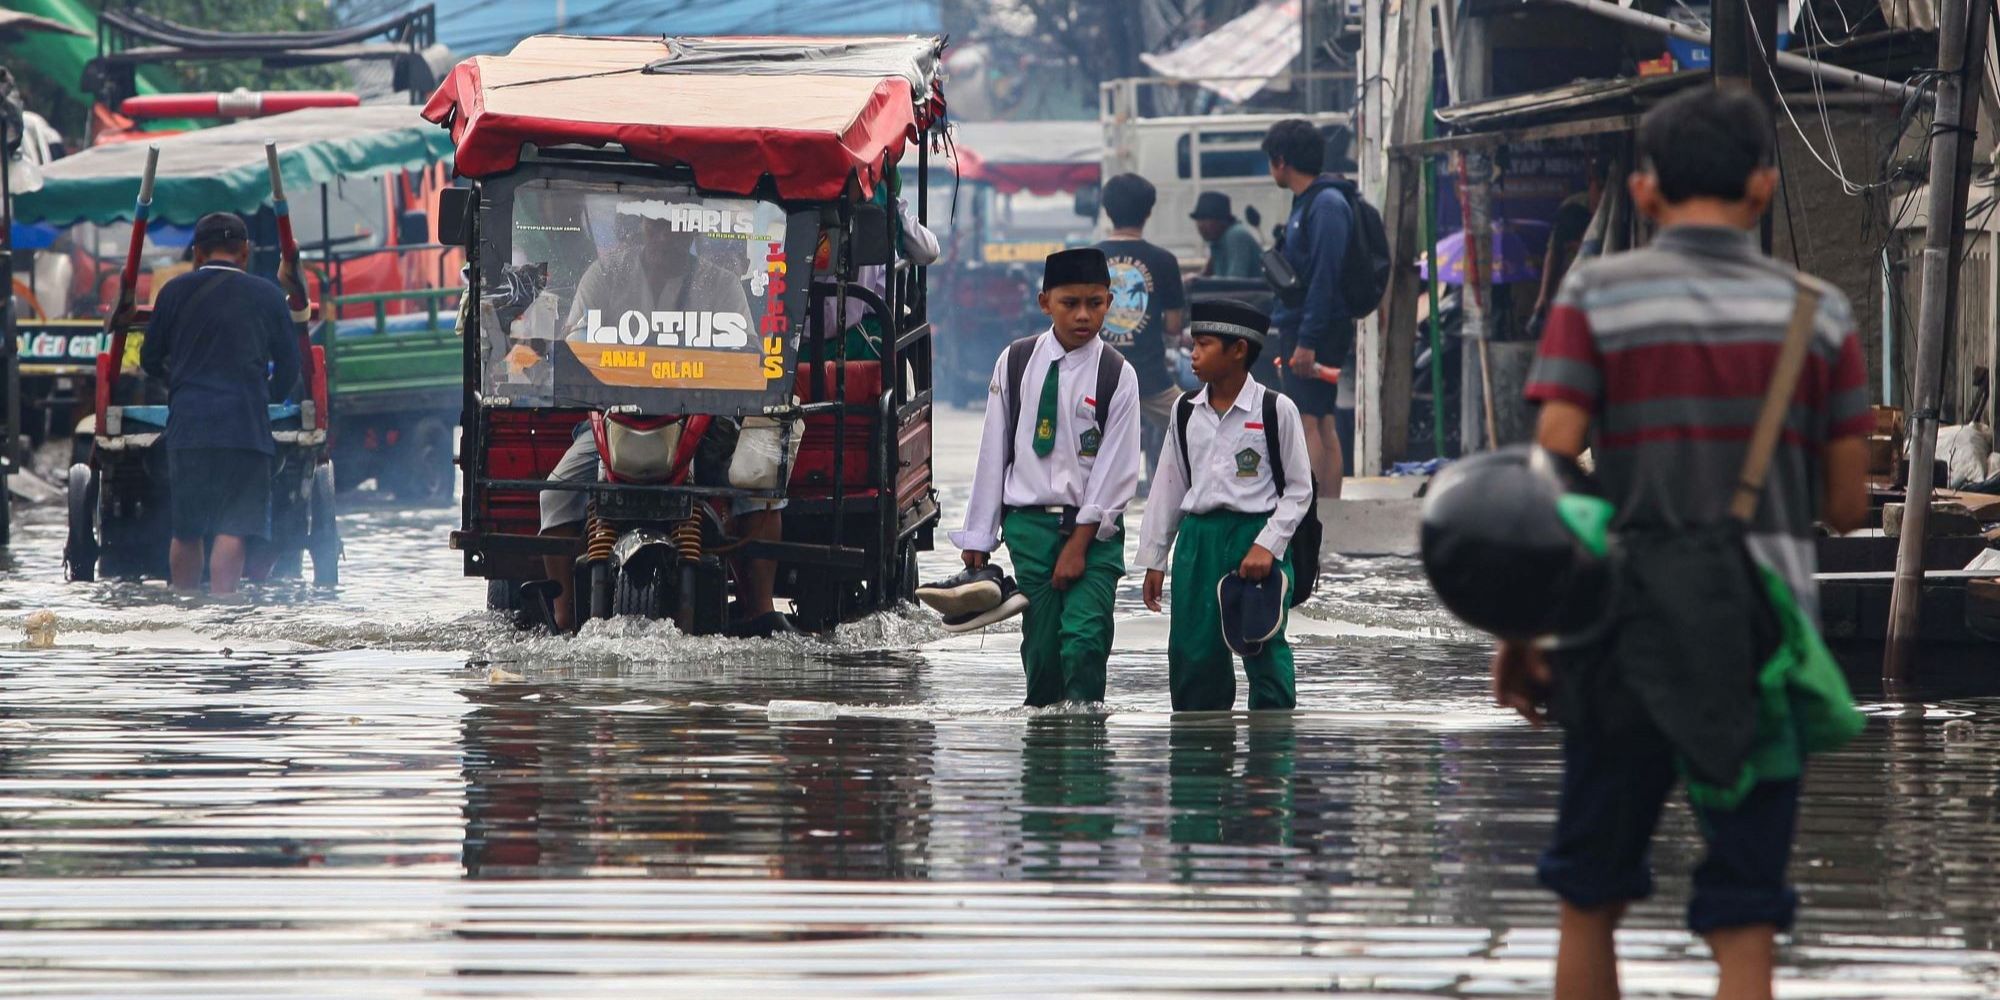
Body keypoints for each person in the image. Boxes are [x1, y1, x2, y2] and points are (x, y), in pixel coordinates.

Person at [1508, 87, 1871, 1000]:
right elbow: (1846, 507)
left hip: (1616, 623)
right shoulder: (1819, 315)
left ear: (1644, 191)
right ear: (1760, 188)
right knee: (1745, 906)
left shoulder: (1595, 294)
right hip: (1760, 638)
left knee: (1589, 894)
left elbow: (1551, 468)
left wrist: (1525, 632)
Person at [539, 210, 785, 637]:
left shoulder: (720, 283)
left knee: (758, 491)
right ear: (641, 228)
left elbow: (749, 351)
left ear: (690, 230)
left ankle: (760, 611)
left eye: (674, 226)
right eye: (655, 225)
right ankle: (562, 619)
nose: (664, 235)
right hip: (613, 422)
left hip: (704, 423)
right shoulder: (605, 274)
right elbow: (573, 338)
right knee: (553, 494)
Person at [950, 247, 1142, 707]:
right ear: (1044, 303)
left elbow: (1117, 471)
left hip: (1095, 533)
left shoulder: (1118, 375)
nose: (1083, 316)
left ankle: (1086, 755)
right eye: (1069, 303)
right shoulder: (1016, 363)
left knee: (1085, 641)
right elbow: (993, 451)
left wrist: (1079, 543)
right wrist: (979, 534)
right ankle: (1046, 761)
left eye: (1095, 304)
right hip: (1029, 528)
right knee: (1041, 653)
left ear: (1109, 302)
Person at [1139, 299, 1312, 711]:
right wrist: (1155, 559)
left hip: (1254, 536)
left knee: (1263, 644)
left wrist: (1267, 545)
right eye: (1193, 345)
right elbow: (1168, 488)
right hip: (1198, 542)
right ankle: (1199, 761)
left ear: (1238, 351)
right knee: (1193, 653)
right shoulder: (1184, 411)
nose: (1193, 354)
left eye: (1203, 344)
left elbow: (1301, 489)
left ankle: (1270, 759)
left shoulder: (1276, 409)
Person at [138, 212, 301, 596]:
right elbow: (291, 364)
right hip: (245, 428)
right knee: (234, 528)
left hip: (189, 429)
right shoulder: (267, 295)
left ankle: (185, 609)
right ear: (245, 252)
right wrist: (267, 398)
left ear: (197, 253)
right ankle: (224, 611)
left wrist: (179, 384)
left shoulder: (173, 293)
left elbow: (149, 359)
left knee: (187, 528)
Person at [1263, 119, 1352, 498]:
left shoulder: (1326, 204)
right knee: (1322, 420)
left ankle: (1312, 511)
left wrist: (1307, 340)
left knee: (1309, 422)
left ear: (1281, 161)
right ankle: (1328, 514)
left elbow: (1324, 278)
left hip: (1314, 330)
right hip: (1311, 327)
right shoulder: (1311, 201)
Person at [1095, 173, 1186, 487]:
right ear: (1148, 212)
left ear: (1107, 211)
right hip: (1151, 380)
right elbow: (1174, 326)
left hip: (1096, 379)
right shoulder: (1164, 261)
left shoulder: (1090, 258)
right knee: (1194, 427)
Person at [1528, 156, 1610, 334]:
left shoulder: (1614, 213)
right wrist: (1543, 296)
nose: (1602, 196)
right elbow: (1554, 251)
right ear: (1591, 183)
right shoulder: (1572, 207)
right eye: (1599, 188)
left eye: (1607, 190)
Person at [1190, 192, 1264, 280]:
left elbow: (1235, 281)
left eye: (1205, 219)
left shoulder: (1236, 236)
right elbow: (1206, 274)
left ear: (1222, 221)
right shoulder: (1218, 240)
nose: (1200, 226)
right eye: (1198, 220)